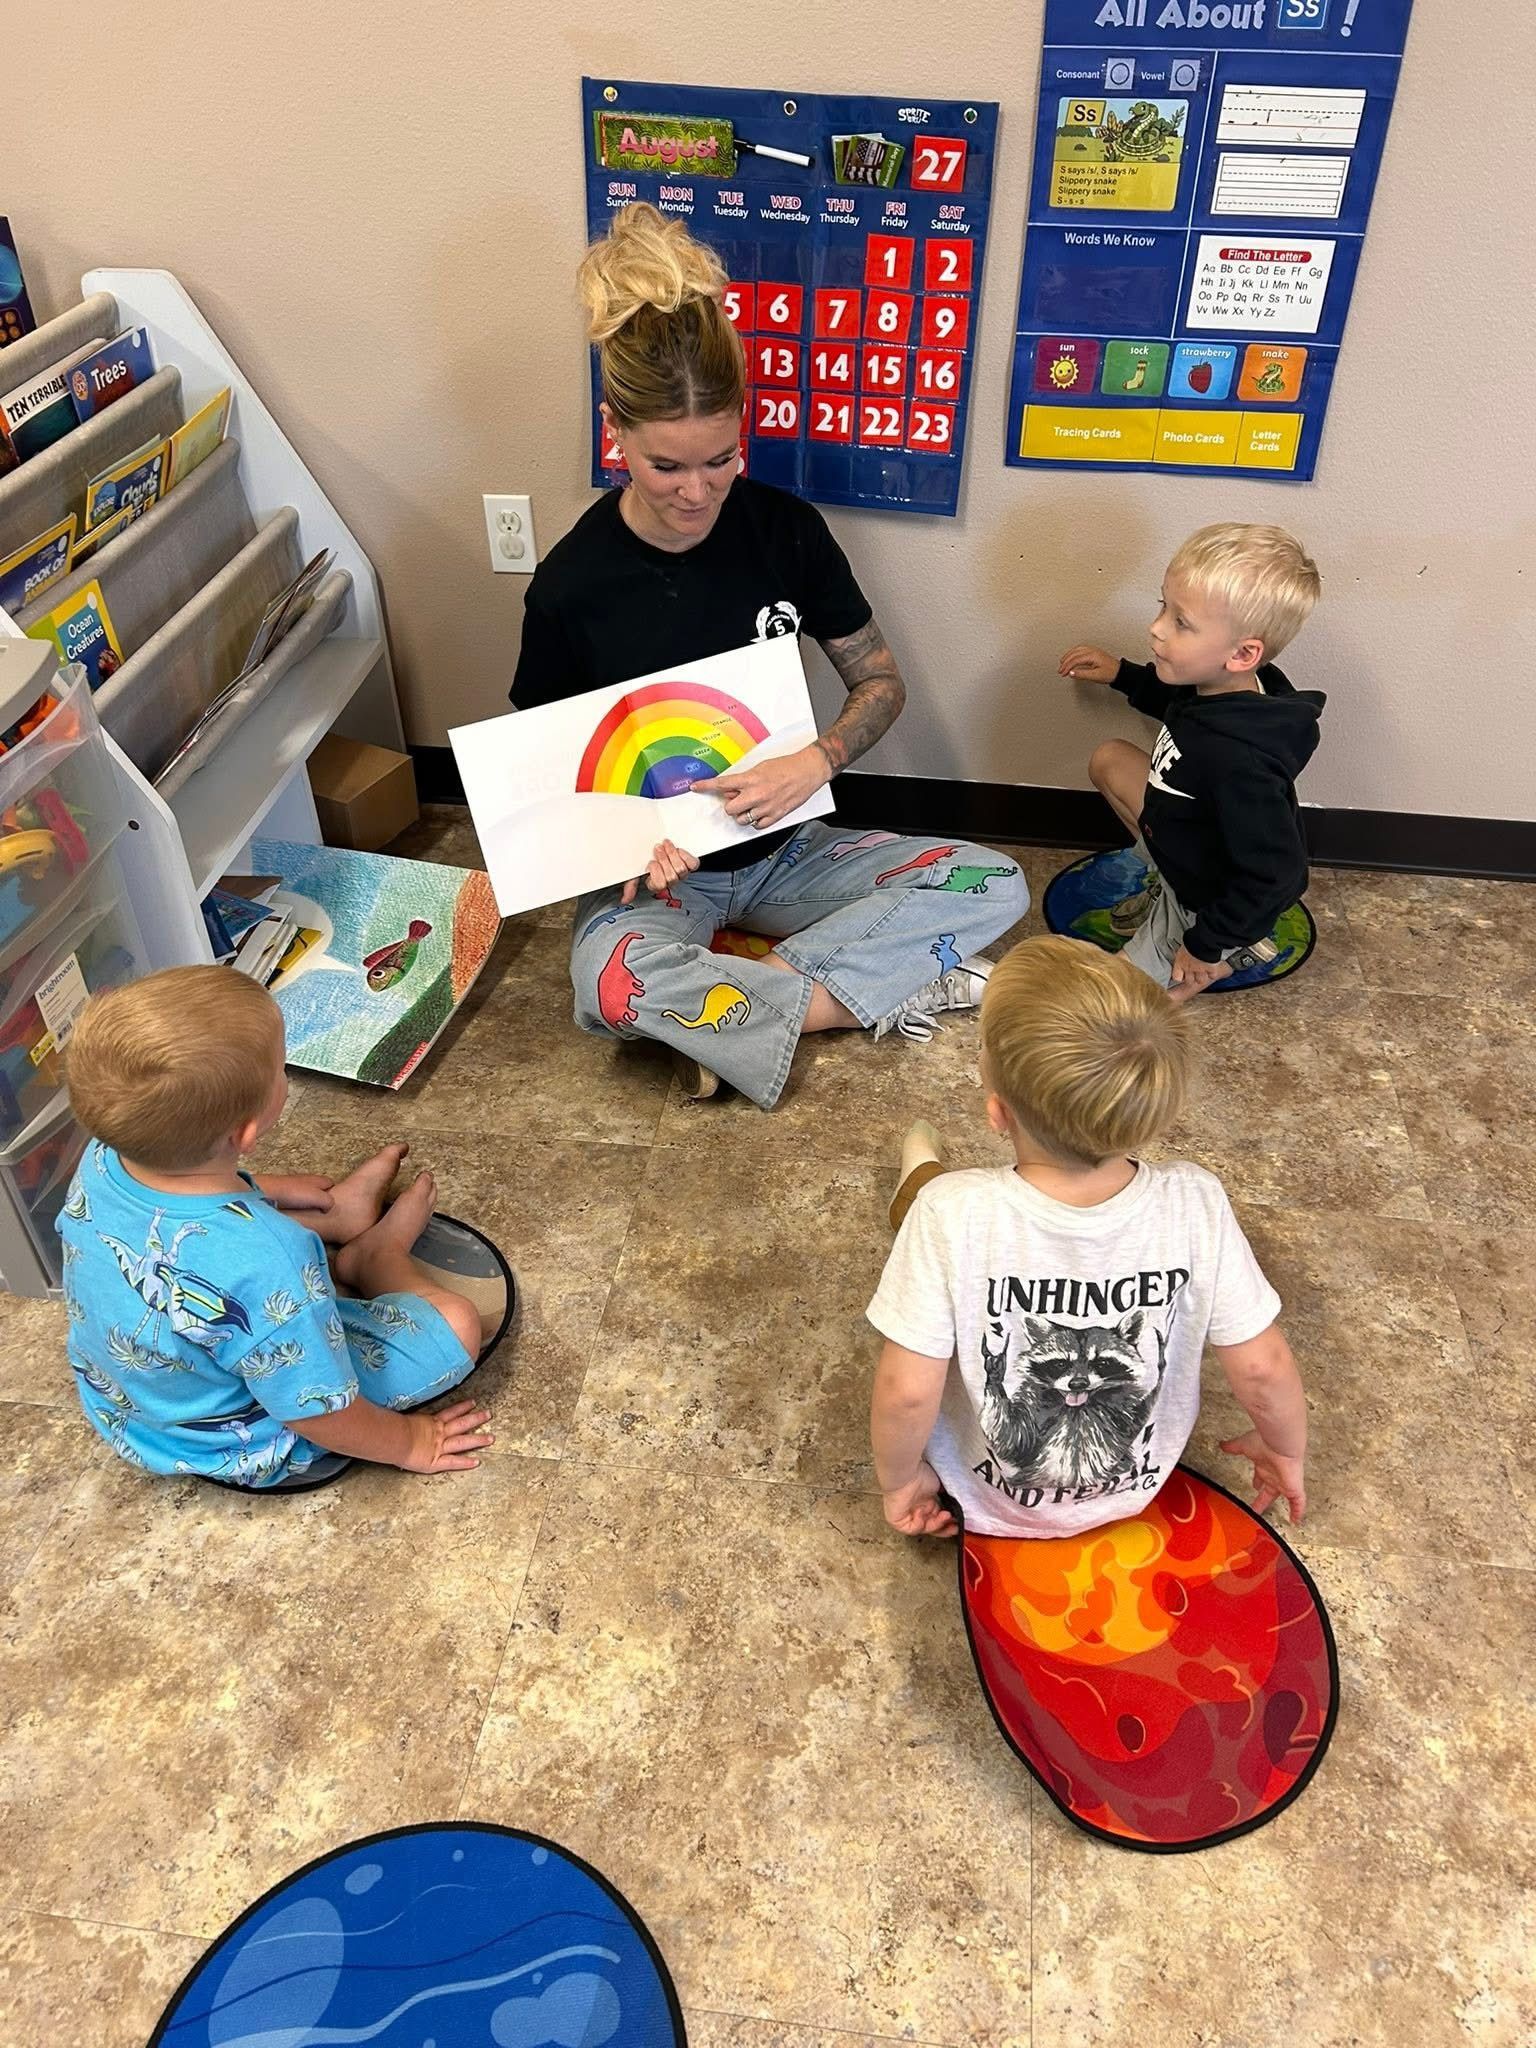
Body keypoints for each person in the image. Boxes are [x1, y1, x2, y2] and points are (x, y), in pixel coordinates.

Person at [512, 203, 1027, 1106]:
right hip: (668, 885)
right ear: (617, 433)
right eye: (667, 465)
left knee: (995, 878)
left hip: (791, 850)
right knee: (603, 978)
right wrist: (620, 837)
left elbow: (880, 679)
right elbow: (541, 776)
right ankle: (863, 985)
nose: (697, 491)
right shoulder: (570, 584)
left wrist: (816, 759)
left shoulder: (786, 531)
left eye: (721, 457)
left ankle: (735, 1010)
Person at [867, 936, 1308, 1540]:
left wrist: (901, 1482)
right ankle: (918, 1158)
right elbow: (1263, 1367)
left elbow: (906, 1393)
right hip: (1134, 1493)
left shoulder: (949, 1212)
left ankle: (918, 1156)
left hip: (981, 1497)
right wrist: (1284, 1447)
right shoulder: (1196, 1201)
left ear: (998, 1113)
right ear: (1156, 1113)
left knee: (926, 1196)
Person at [58, 967, 494, 1491]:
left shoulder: (104, 1157)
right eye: (281, 1065)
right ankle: (377, 1259)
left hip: (132, 1413)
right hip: (243, 1440)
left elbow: (172, 1207)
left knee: (209, 1240)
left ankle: (339, 1216)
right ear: (244, 1132)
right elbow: (314, 1411)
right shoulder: (272, 1260)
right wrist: (410, 1442)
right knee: (459, 1322)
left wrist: (268, 1187)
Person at [1058, 522, 1324, 1001]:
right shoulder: (1219, 688)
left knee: (1113, 1000)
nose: (1156, 627)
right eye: (1164, 605)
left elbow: (1280, 874)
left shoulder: (1239, 759)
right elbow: (1177, 704)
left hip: (1207, 900)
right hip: (1185, 843)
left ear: (1243, 654)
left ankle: (1228, 953)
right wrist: (1121, 674)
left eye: (1181, 622)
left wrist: (1204, 945)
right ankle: (1185, 904)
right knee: (1110, 759)